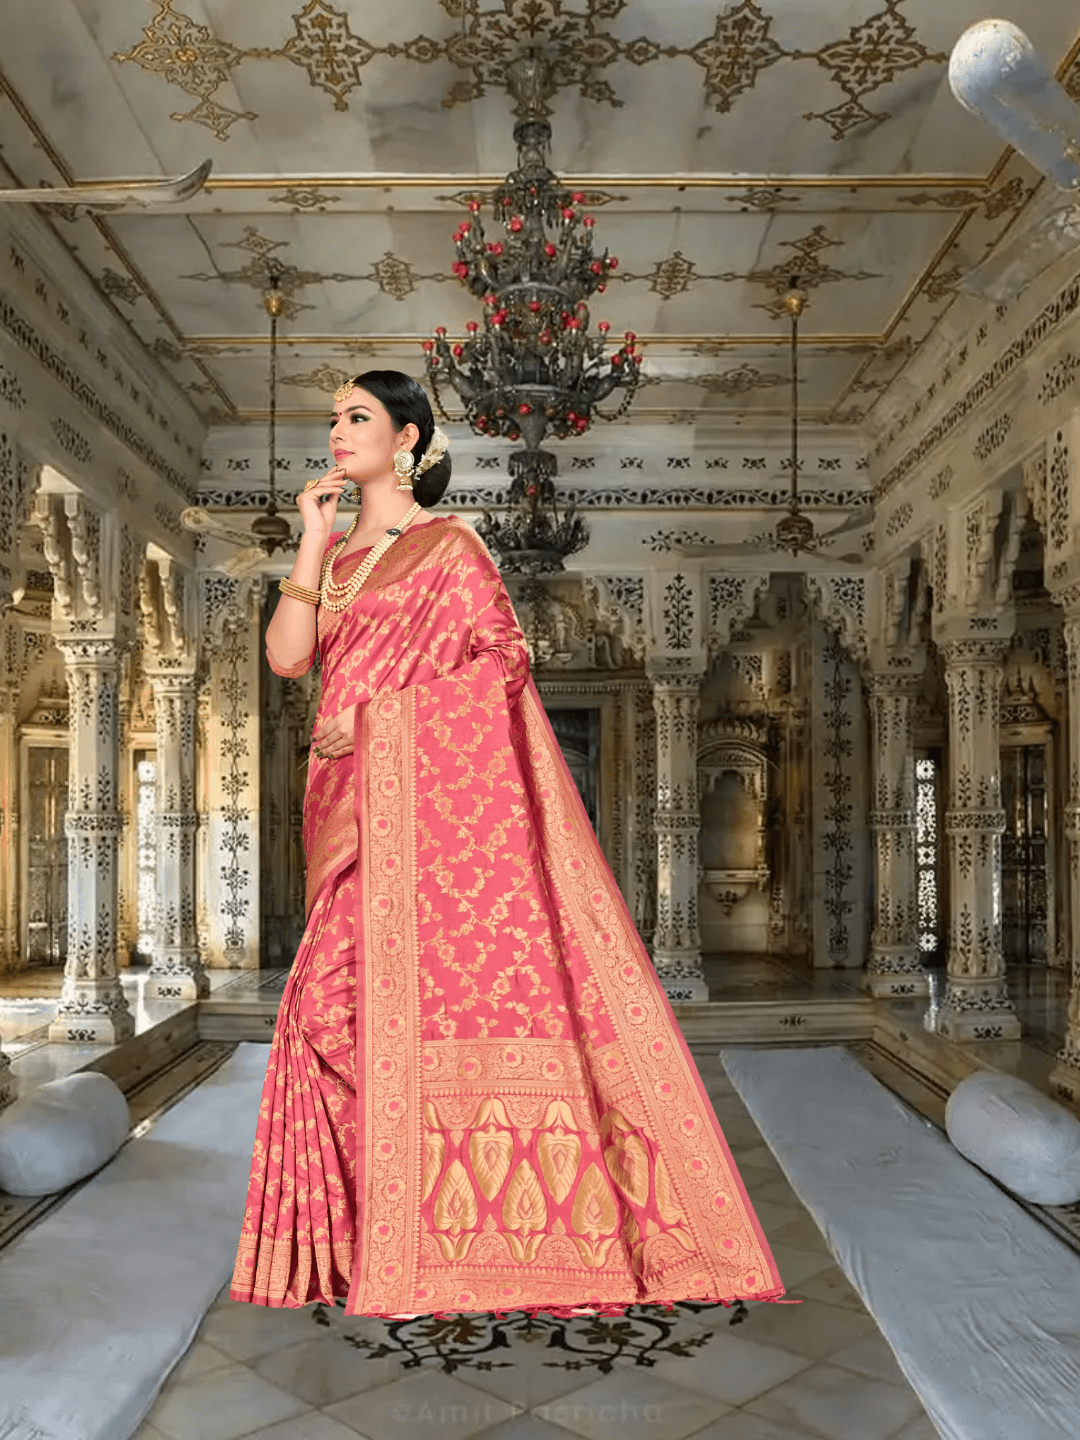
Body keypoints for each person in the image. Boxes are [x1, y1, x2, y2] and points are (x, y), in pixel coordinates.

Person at [230, 370, 784, 1319]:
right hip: (345, 812)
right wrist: (314, 541)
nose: (336, 431)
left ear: (408, 439)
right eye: (333, 417)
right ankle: (373, 1231)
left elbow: (501, 663)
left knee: (357, 1010)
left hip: (417, 807)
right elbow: (289, 657)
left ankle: (430, 1228)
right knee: (326, 1016)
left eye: (356, 417)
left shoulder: (448, 549)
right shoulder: (338, 554)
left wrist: (378, 724)